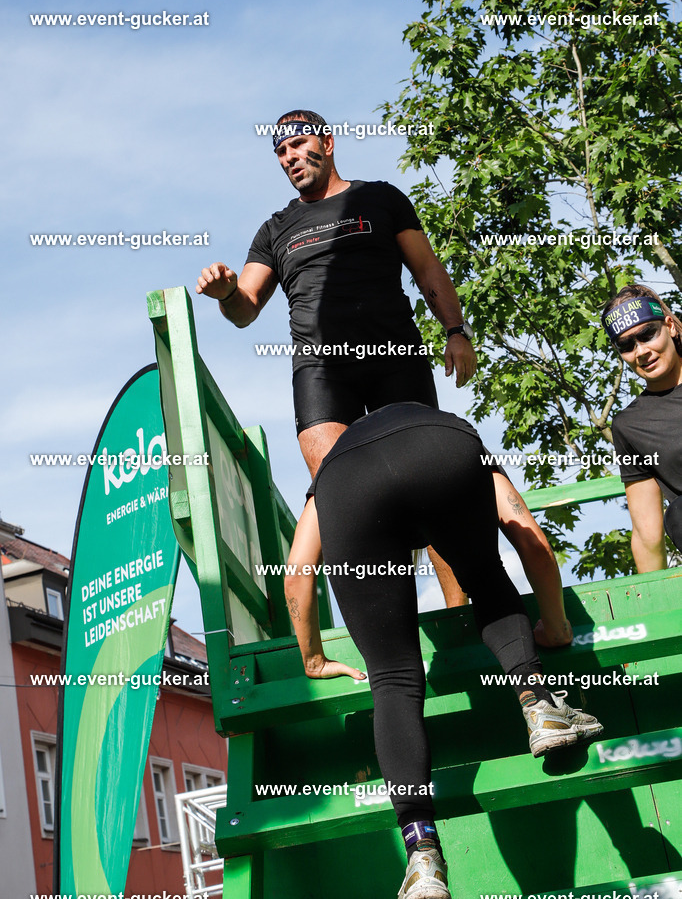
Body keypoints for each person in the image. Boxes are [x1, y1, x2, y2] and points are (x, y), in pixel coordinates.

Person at [196, 109, 573, 640]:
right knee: (342, 492)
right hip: (322, 369)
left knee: (433, 484)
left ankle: (455, 611)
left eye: (298, 145)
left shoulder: (382, 198)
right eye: (280, 152)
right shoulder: (275, 230)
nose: (289, 158)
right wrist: (227, 292)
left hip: (395, 357)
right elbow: (246, 309)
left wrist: (456, 330)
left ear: (327, 142)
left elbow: (427, 269)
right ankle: (384, 633)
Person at [284, 402, 603, 899]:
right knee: (486, 577)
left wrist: (313, 659)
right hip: (444, 450)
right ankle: (542, 707)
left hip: (349, 483)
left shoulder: (330, 471)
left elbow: (298, 571)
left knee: (392, 677)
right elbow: (532, 541)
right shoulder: (450, 431)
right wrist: (557, 627)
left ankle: (422, 854)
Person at [601, 283, 682, 569]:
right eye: (626, 346)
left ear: (669, 326)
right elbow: (647, 532)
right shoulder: (630, 426)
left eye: (647, 334)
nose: (641, 351)